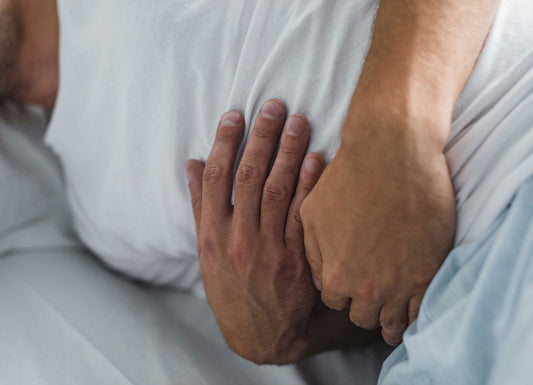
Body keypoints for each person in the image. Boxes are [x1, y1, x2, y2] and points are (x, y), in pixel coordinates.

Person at [2, 0, 533, 381]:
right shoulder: (105, 226)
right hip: (441, 335)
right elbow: (368, 308)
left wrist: (398, 132)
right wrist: (281, 338)